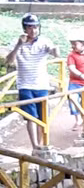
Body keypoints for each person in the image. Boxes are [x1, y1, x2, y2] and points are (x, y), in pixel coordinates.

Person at [5, 14, 59, 150]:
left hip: (42, 84)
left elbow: (55, 54)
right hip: (25, 85)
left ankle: (40, 145)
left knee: (42, 116)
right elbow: (9, 61)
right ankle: (35, 145)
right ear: (25, 28)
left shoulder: (44, 41)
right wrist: (19, 45)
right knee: (30, 117)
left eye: (35, 27)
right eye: (30, 27)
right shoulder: (16, 42)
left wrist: (55, 49)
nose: (33, 30)